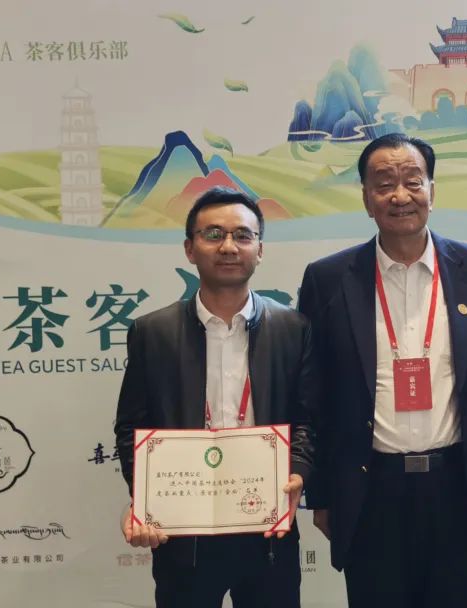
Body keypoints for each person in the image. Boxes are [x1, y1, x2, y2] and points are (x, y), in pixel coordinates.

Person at [296, 132, 467, 608]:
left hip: (457, 487)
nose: (399, 196)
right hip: (370, 489)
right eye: (383, 184)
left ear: (432, 190)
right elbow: (314, 394)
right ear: (366, 198)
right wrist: (323, 494)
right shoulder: (328, 279)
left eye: (413, 181)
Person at [114, 186, 318, 607]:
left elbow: (308, 418)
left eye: (242, 236)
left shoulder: (293, 329)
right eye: (213, 234)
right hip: (183, 533)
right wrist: (146, 498)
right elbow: (132, 427)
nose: (228, 247)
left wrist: (298, 470)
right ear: (189, 249)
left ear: (260, 249)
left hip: (267, 528)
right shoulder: (152, 332)